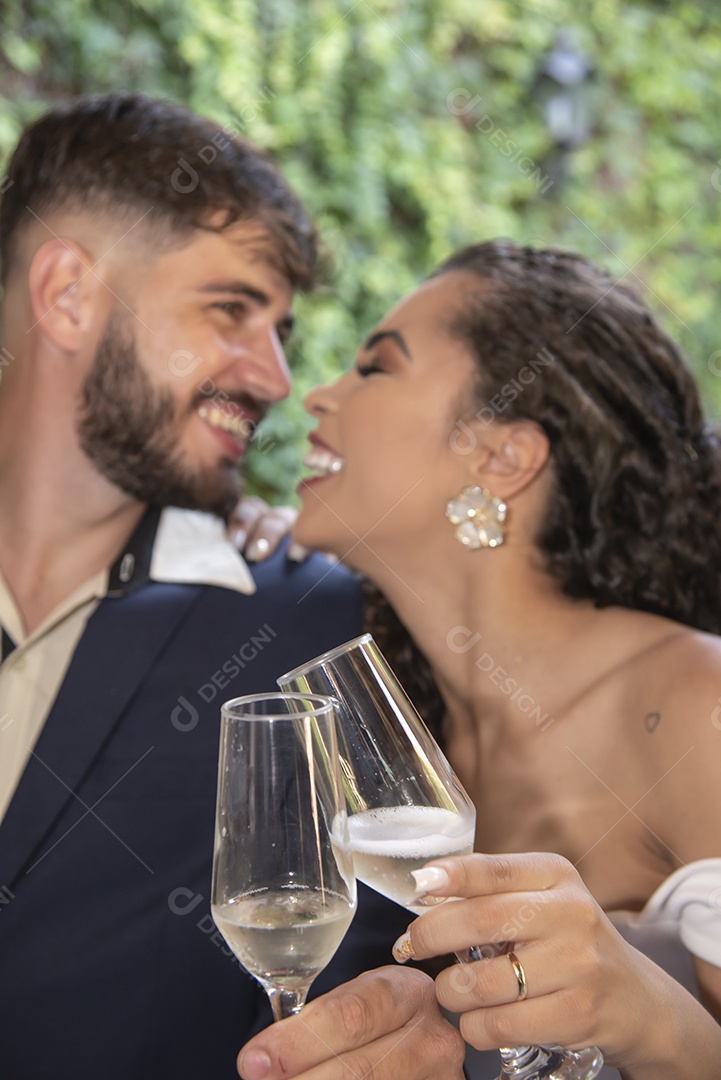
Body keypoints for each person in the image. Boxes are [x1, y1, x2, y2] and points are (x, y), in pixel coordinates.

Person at [0, 93, 462, 1080]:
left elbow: (409, 978)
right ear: (68, 294)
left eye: (281, 327)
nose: (276, 377)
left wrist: (432, 1030)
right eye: (230, 310)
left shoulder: (316, 620)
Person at [242, 240, 721, 1079]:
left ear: (501, 457)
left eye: (374, 370)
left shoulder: (691, 704)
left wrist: (647, 1016)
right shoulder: (400, 734)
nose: (316, 394)